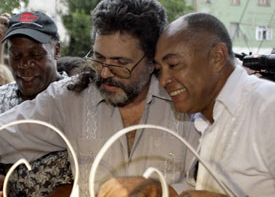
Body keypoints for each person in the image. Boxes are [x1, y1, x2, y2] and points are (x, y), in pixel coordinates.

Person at [0, 0, 200, 196]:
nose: (106, 73)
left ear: (153, 60)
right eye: (98, 59)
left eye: (121, 63)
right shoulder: (72, 99)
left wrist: (161, 191)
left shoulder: (188, 102)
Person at [98, 12, 275, 197]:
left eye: (173, 65)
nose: (163, 81)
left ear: (217, 57)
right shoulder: (204, 118)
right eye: (159, 70)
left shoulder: (267, 108)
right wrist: (157, 190)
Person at [0, 11, 71, 197]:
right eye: (16, 56)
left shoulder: (76, 100)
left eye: (36, 55)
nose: (25, 64)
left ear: (57, 51)